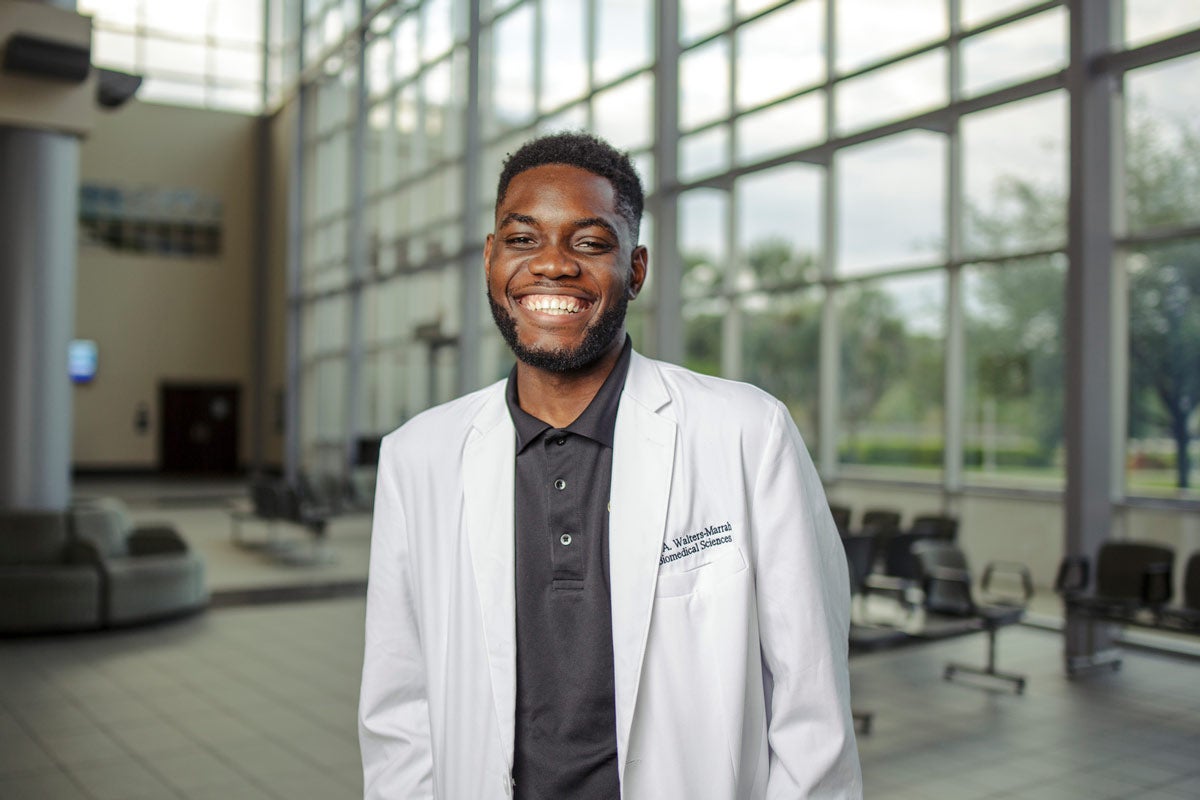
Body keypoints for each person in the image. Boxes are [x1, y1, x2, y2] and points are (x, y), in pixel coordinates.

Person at [359, 131, 862, 799]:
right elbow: (399, 712)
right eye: (523, 239)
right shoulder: (417, 457)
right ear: (490, 258)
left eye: (590, 243)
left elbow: (813, 709)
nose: (554, 266)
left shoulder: (746, 433)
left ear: (636, 267)